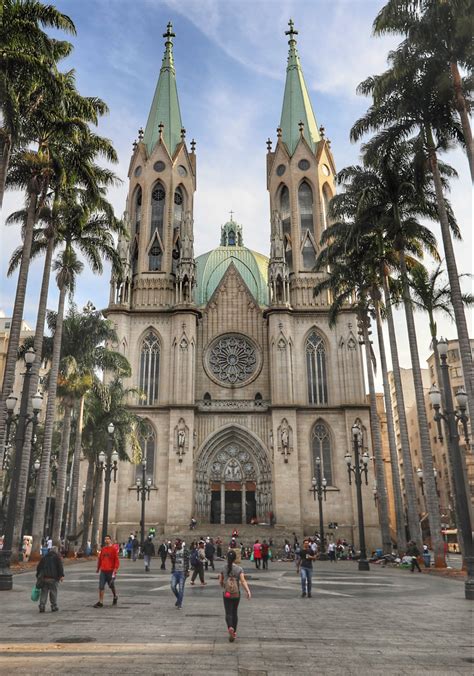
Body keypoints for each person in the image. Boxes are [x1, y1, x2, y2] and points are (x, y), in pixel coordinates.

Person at [219, 550, 251, 643]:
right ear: (235, 558)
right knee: (234, 612)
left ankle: (230, 627)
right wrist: (248, 591)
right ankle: (235, 632)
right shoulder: (239, 569)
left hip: (227, 593)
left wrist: (223, 585)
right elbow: (243, 581)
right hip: (236, 594)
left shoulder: (223, 568)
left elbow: (220, 581)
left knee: (228, 612)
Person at [36, 545, 64, 613]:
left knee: (44, 592)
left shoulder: (44, 557)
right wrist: (61, 576)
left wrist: (38, 576)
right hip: (53, 579)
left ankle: (42, 606)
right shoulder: (57, 558)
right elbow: (60, 567)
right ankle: (54, 606)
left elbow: (39, 568)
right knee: (53, 592)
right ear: (56, 551)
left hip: (44, 578)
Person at [94, 535, 119, 607]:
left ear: (110, 540)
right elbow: (100, 559)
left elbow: (116, 561)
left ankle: (115, 596)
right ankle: (100, 602)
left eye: (108, 539)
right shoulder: (103, 549)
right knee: (101, 586)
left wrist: (115, 569)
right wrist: (98, 568)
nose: (106, 540)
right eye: (105, 539)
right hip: (103, 571)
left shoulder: (113, 550)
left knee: (111, 586)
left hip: (110, 571)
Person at [170, 538, 189, 609]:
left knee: (181, 588)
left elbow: (187, 561)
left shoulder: (185, 550)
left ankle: (179, 604)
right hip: (175, 571)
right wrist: (171, 556)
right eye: (176, 545)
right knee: (172, 586)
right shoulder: (175, 551)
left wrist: (187, 571)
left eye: (177, 544)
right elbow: (173, 562)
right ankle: (179, 599)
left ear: (181, 544)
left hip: (182, 572)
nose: (176, 546)